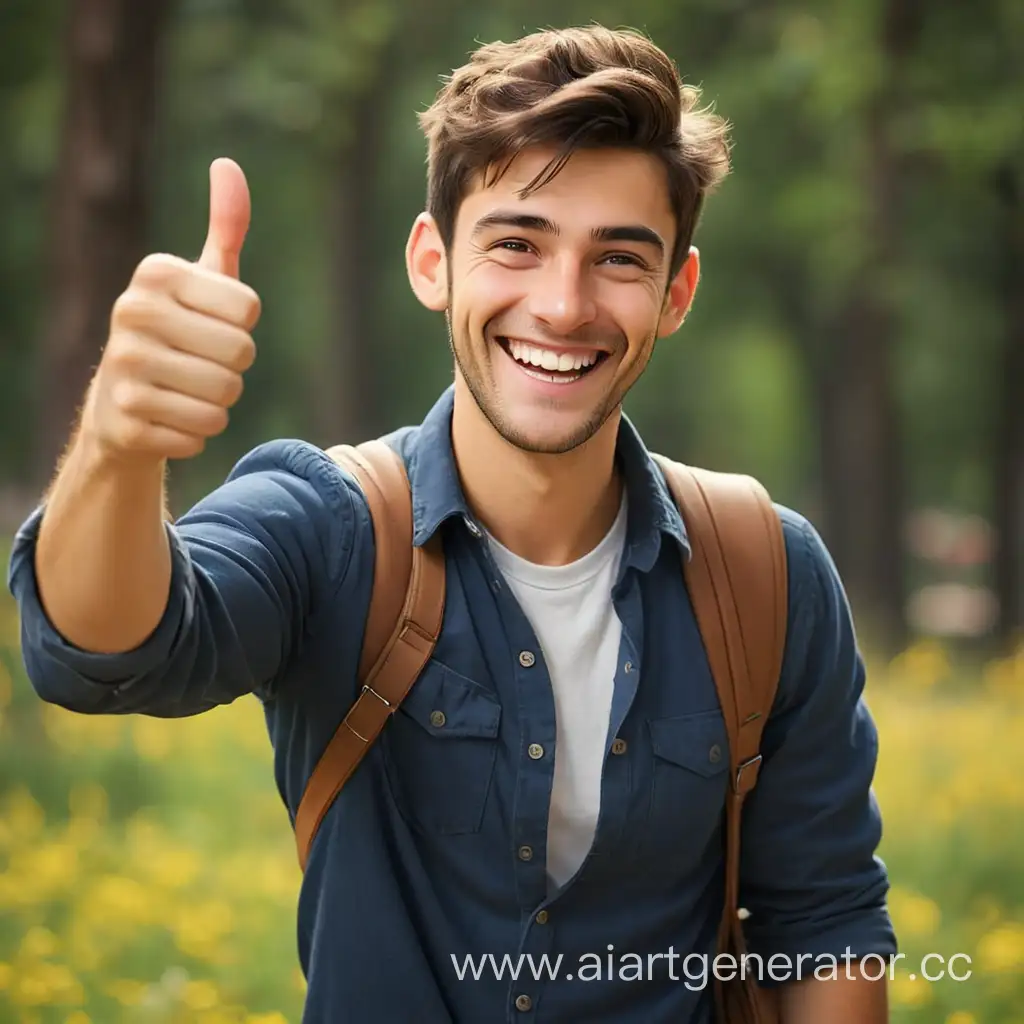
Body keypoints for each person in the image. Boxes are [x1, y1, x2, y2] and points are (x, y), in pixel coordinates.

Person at [8, 24, 896, 1024]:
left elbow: (824, 924)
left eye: (618, 258)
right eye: (516, 243)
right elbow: (100, 648)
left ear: (674, 294)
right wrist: (119, 446)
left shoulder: (765, 571)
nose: (562, 306)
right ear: (432, 263)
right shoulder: (330, 525)